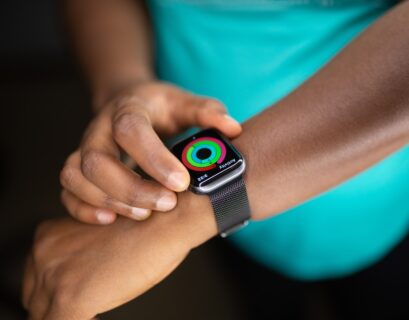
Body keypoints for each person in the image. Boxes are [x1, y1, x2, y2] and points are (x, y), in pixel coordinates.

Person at [23, 0, 409, 319]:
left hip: (380, 210)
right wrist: (122, 84)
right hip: (225, 225)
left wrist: (186, 217)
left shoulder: (186, 219)